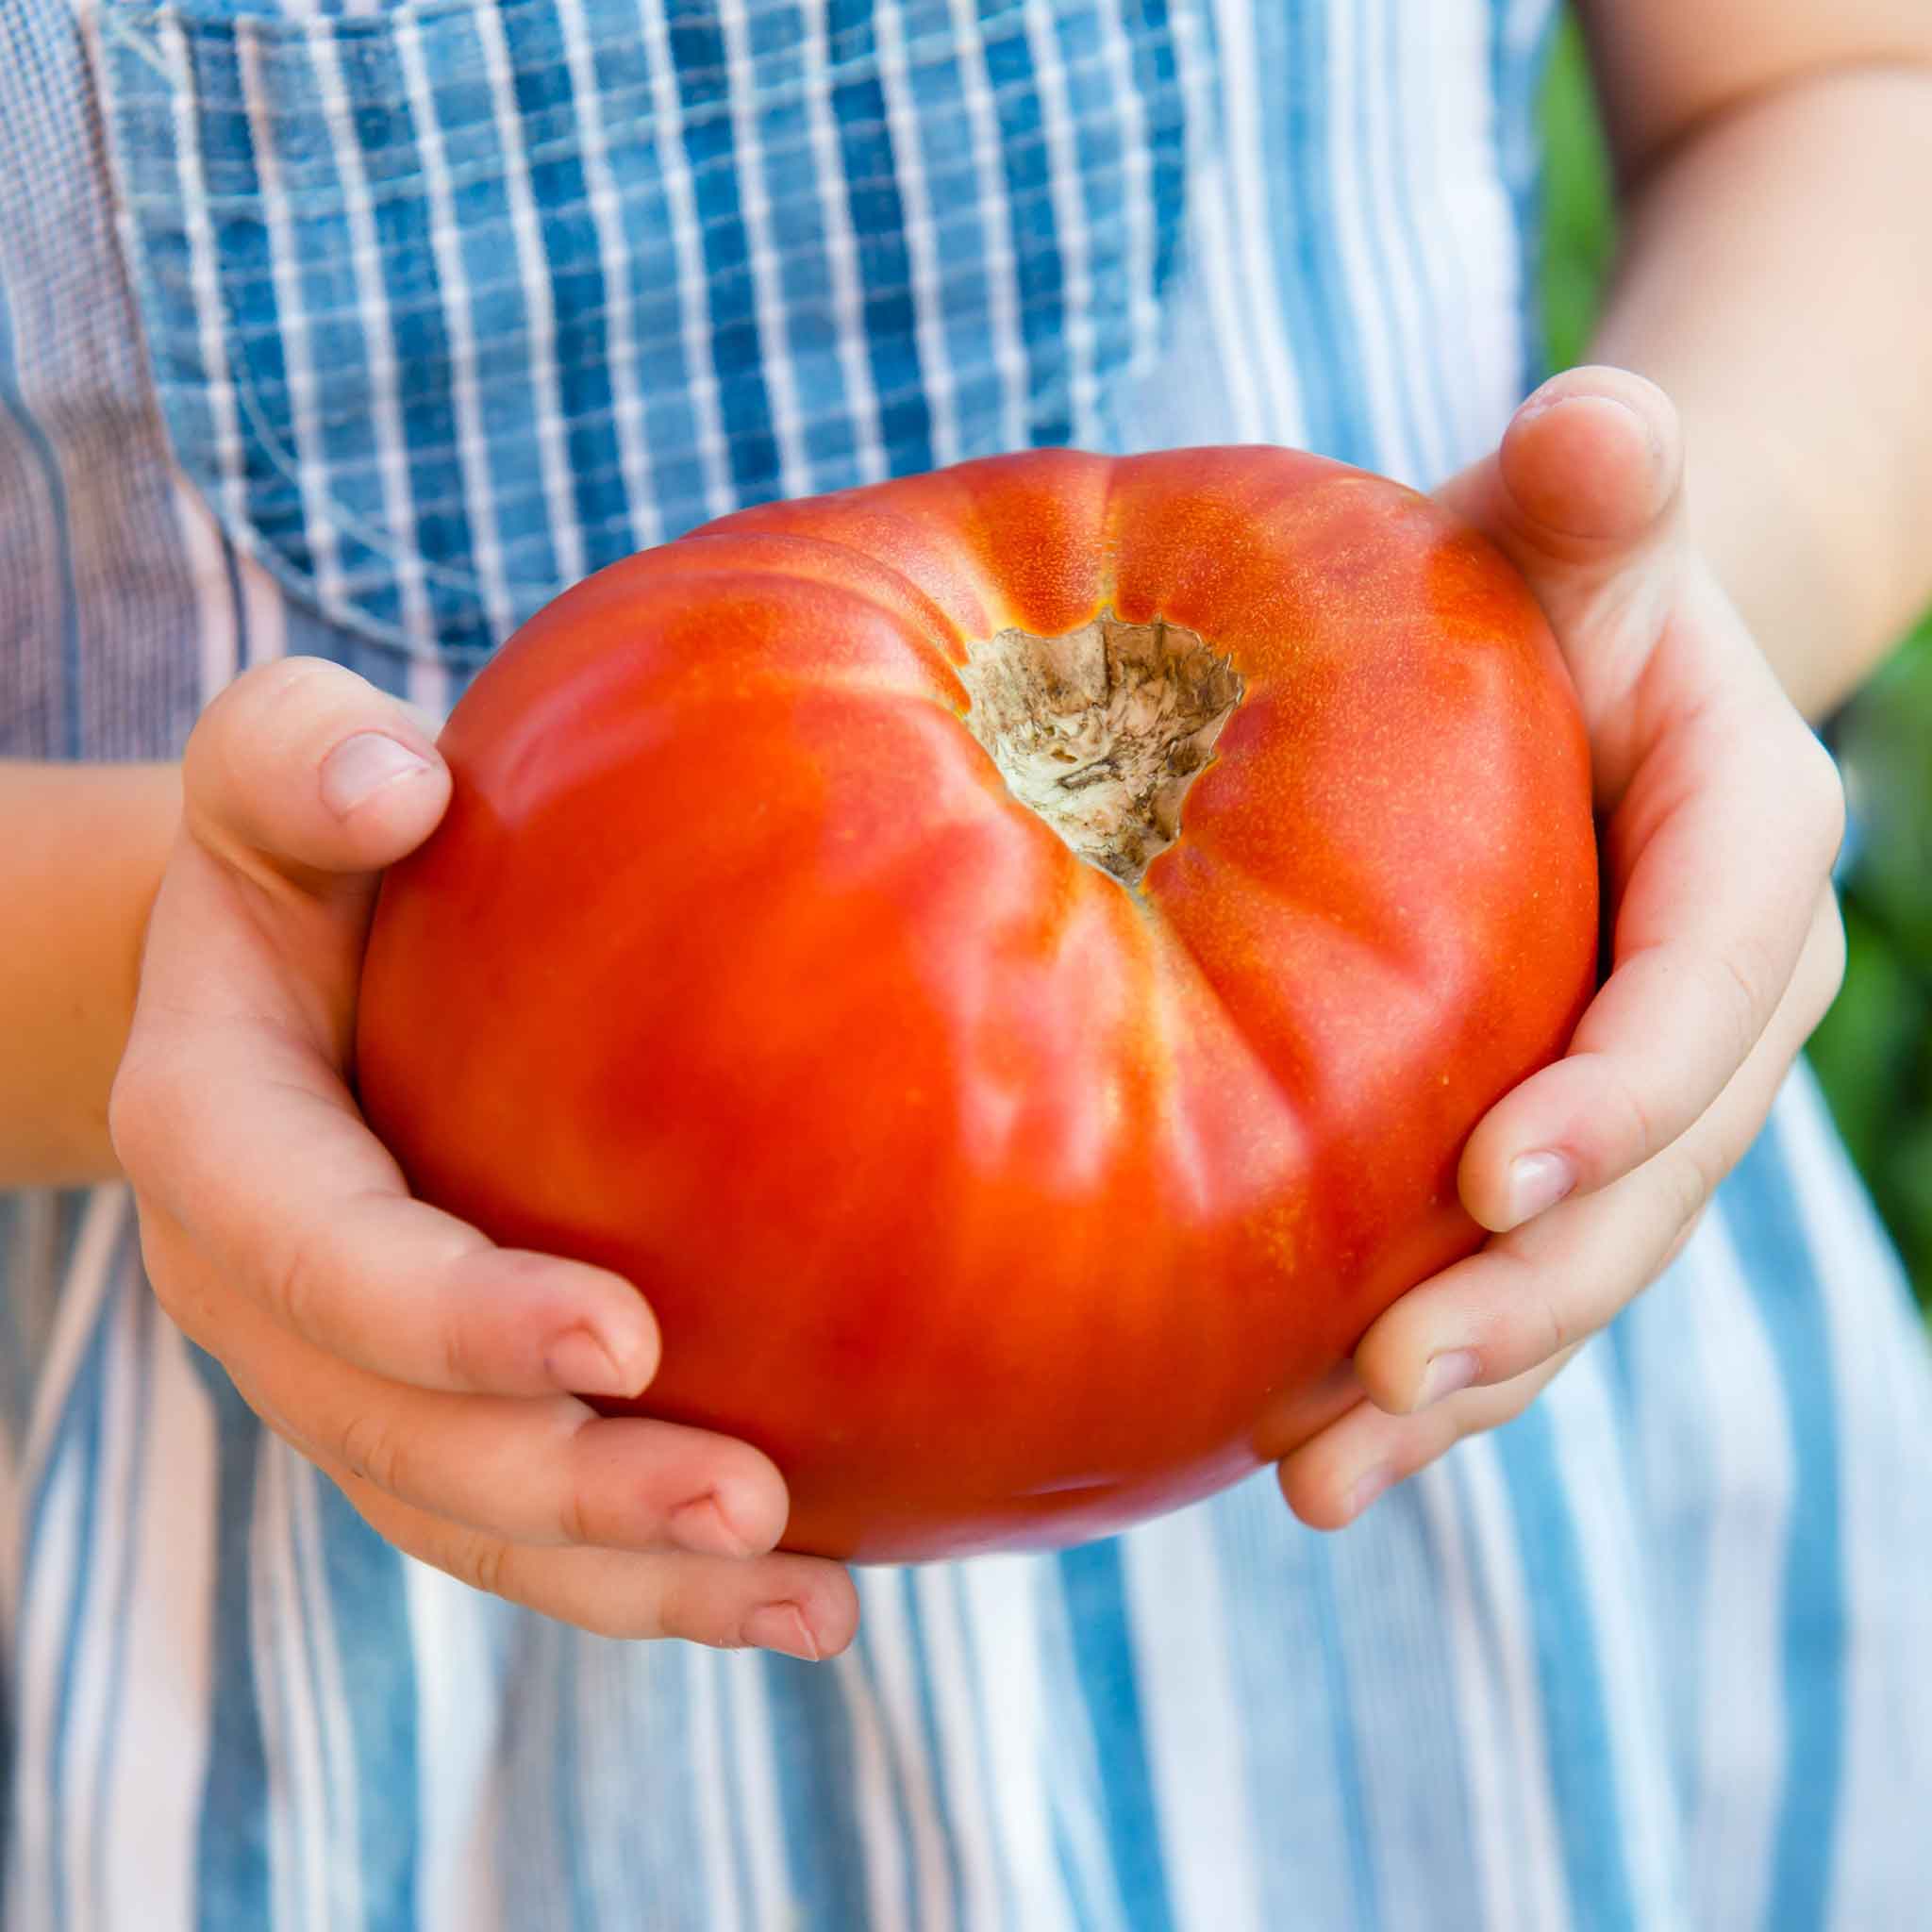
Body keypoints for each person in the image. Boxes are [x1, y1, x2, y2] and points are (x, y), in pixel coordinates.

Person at [4, 0, 1930, 1922]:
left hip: (1504, 1315)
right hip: (281, 1529)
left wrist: (1664, 639)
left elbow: (1845, 89)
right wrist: (165, 967)